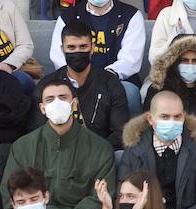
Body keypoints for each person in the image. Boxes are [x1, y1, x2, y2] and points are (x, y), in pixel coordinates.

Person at [3, 77, 117, 209]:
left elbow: (99, 196)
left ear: (74, 104)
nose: (57, 103)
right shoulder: (22, 147)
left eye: (63, 98)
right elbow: (9, 191)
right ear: (42, 108)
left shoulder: (100, 148)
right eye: (50, 99)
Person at [50, 0, 147, 113]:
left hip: (117, 80)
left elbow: (130, 60)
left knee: (129, 92)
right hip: (76, 79)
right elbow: (58, 57)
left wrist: (102, 79)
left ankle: (131, 131)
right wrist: (82, 79)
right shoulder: (68, 17)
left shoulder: (131, 15)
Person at [38, 21, 129, 150]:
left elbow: (120, 132)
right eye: (71, 47)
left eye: (83, 47)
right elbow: (35, 129)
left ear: (92, 48)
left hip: (99, 152)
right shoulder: (47, 85)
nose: (77, 52)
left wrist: (94, 152)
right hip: (55, 152)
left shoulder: (110, 83)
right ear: (62, 49)